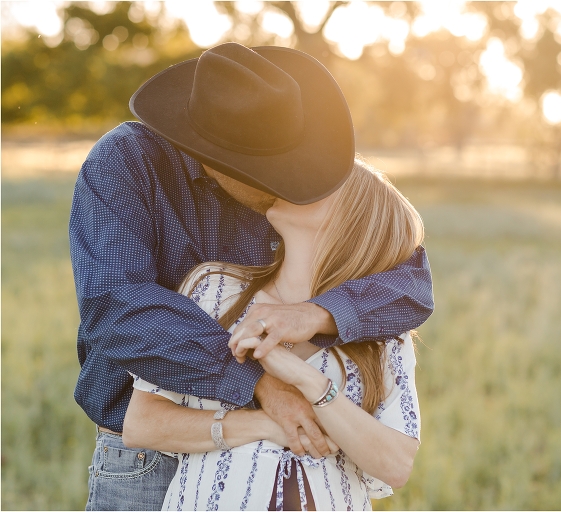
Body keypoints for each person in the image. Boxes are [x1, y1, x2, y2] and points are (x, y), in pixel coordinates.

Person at [69, 43, 433, 511]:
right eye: (272, 170)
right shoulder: (126, 165)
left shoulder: (293, 179)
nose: (295, 180)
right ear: (214, 159)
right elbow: (116, 308)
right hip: (147, 454)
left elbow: (409, 276)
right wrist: (258, 382)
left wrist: (317, 314)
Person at [123, 158, 422, 510]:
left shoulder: (383, 332)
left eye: (316, 188)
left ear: (346, 223)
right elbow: (141, 424)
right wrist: (263, 423)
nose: (289, 185)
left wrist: (308, 381)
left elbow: (397, 466)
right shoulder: (213, 289)